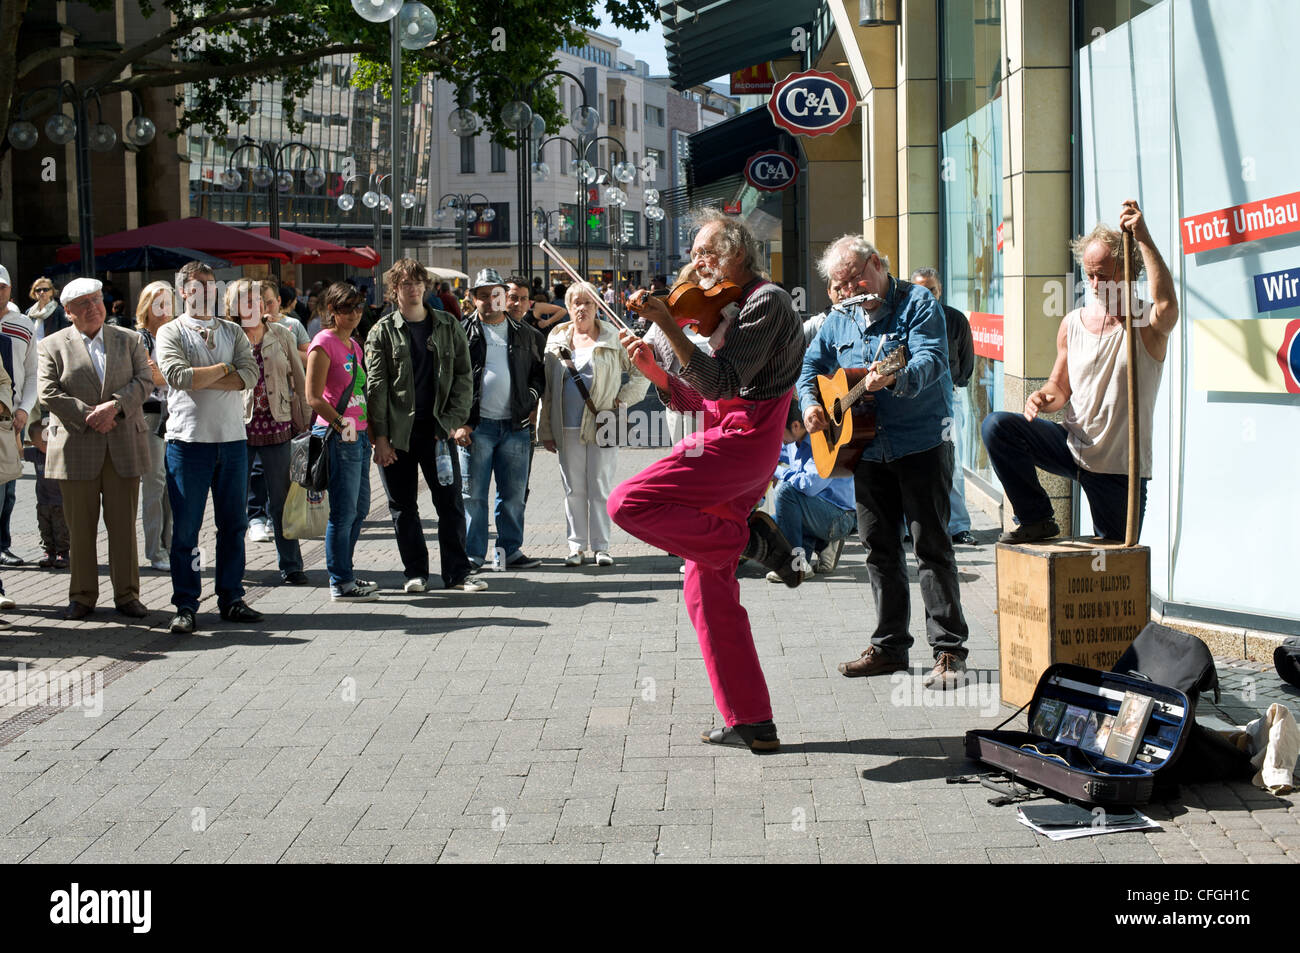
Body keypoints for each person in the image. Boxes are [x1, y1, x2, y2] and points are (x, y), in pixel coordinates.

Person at [610, 209, 805, 752]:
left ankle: (753, 541)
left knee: (628, 502)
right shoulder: (728, 308)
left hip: (745, 444)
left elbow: (722, 379)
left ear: (736, 251)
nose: (694, 262)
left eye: (704, 251)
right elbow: (704, 398)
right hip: (728, 434)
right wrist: (657, 374)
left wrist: (670, 325)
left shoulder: (768, 301)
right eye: (694, 253)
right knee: (705, 586)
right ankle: (752, 721)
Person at [800, 235, 970, 690]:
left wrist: (897, 378)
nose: (854, 290)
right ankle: (891, 646)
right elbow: (808, 367)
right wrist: (810, 404)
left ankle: (949, 650)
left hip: (920, 444)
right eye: (842, 285)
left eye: (858, 279)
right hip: (864, 449)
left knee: (931, 547)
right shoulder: (841, 318)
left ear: (877, 263)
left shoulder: (917, 303)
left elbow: (934, 359)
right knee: (879, 550)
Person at [981, 200, 1178, 543]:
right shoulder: (1073, 323)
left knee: (1116, 568)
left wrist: (1143, 237)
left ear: (1127, 270)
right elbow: (1060, 387)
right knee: (997, 427)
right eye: (1088, 274)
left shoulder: (1145, 322)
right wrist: (1041, 398)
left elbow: (1167, 306)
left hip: (1119, 467)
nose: (1094, 283)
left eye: (1102, 274)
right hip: (1072, 446)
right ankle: (1036, 517)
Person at [37, 277, 153, 620]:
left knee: (123, 526)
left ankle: (127, 595)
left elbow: (144, 381)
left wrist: (114, 407)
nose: (93, 308)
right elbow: (47, 392)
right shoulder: (52, 344)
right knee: (80, 528)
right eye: (84, 304)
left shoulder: (129, 339)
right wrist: (91, 415)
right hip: (77, 447)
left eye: (97, 300)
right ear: (68, 312)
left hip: (122, 444)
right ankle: (82, 596)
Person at [156, 261, 263, 634]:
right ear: (183, 290)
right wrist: (223, 369)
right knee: (185, 531)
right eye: (199, 285)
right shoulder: (171, 330)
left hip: (232, 441)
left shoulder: (233, 330)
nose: (207, 291)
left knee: (233, 525)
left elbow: (250, 375)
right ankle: (186, 604)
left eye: (212, 285)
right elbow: (179, 377)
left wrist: (210, 375)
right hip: (188, 444)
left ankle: (231, 597)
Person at [366, 259, 485, 594]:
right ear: (394, 290)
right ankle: (415, 572)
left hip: (437, 432)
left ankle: (458, 573)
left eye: (418, 282)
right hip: (398, 434)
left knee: (449, 502)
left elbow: (465, 377)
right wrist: (381, 438)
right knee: (403, 507)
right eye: (406, 284)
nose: (414, 288)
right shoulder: (382, 331)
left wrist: (450, 421)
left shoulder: (447, 324)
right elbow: (375, 388)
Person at [539, 281, 648, 567]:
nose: (582, 308)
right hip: (567, 426)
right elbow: (548, 390)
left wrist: (621, 402)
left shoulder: (614, 337)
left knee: (600, 487)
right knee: (573, 489)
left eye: (588, 303)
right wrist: (545, 430)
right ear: (568, 307)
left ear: (597, 307)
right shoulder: (557, 338)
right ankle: (576, 546)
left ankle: (601, 546)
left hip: (604, 424)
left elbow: (642, 372)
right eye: (576, 303)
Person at [459, 268, 546, 571]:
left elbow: (538, 373)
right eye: (482, 295)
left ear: (503, 297)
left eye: (494, 294)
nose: (489, 300)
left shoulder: (527, 333)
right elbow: (449, 378)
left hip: (516, 426)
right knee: (473, 496)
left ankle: (509, 551)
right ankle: (473, 555)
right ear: (473, 299)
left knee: (512, 495)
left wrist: (532, 397)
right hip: (476, 426)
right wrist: (458, 420)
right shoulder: (462, 332)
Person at [231, 278, 310, 587]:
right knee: (234, 502)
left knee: (281, 502)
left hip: (278, 424)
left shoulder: (280, 334)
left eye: (257, 301)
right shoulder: (228, 336)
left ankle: (291, 565)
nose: (253, 307)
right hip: (237, 427)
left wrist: (304, 420)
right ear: (234, 307)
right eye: (245, 301)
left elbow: (299, 379)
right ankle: (234, 567)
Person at [306, 282, 377, 602]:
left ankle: (345, 572)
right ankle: (340, 581)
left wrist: (370, 432)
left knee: (360, 508)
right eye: (346, 309)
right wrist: (340, 423)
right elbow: (313, 397)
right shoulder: (324, 343)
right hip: (338, 436)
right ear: (331, 311)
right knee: (344, 511)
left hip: (358, 435)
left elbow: (360, 392)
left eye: (359, 308)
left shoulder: (354, 345)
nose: (354, 314)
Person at [911, 267, 977, 545]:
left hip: (948, 400)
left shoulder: (955, 319)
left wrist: (951, 385)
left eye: (933, 290)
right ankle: (910, 527)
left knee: (952, 462)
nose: (928, 295)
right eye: (922, 290)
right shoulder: (906, 319)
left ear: (941, 291)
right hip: (913, 400)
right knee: (911, 462)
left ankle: (958, 526)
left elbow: (966, 362)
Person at [768, 399, 857, 581]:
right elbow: (771, 455)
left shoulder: (823, 441)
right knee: (770, 525)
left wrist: (775, 470)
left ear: (795, 425)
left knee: (786, 492)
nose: (778, 438)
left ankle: (796, 562)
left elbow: (808, 486)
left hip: (839, 516)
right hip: (814, 511)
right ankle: (818, 549)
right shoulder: (792, 441)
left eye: (779, 432)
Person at [134, 280, 175, 571]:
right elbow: (153, 377)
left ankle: (170, 547)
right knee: (154, 483)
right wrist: (184, 375)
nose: (164, 310)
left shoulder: (176, 335)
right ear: (146, 307)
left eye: (168, 303)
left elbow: (171, 375)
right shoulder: (140, 338)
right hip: (150, 416)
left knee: (172, 486)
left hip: (177, 415)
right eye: (158, 303)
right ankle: (155, 551)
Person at [0, 265, 37, 566]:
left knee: (10, 488)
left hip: (13, 416)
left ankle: (3, 544)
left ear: (10, 289)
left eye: (2, 286)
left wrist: (24, 409)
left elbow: (33, 373)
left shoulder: (24, 324)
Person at [23, 419, 68, 569]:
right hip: (43, 501)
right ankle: (49, 552)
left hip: (60, 501)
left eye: (50, 440)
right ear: (35, 444)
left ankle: (63, 553)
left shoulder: (60, 451)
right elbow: (18, 452)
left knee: (61, 528)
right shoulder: (36, 454)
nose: (48, 445)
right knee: (45, 528)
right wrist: (17, 433)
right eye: (43, 443)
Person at [26, 276, 69, 341]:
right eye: (38, 290)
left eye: (45, 289)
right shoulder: (29, 312)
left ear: (51, 292)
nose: (42, 292)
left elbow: (66, 334)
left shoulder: (59, 311)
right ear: (34, 293)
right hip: (33, 348)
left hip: (51, 348)